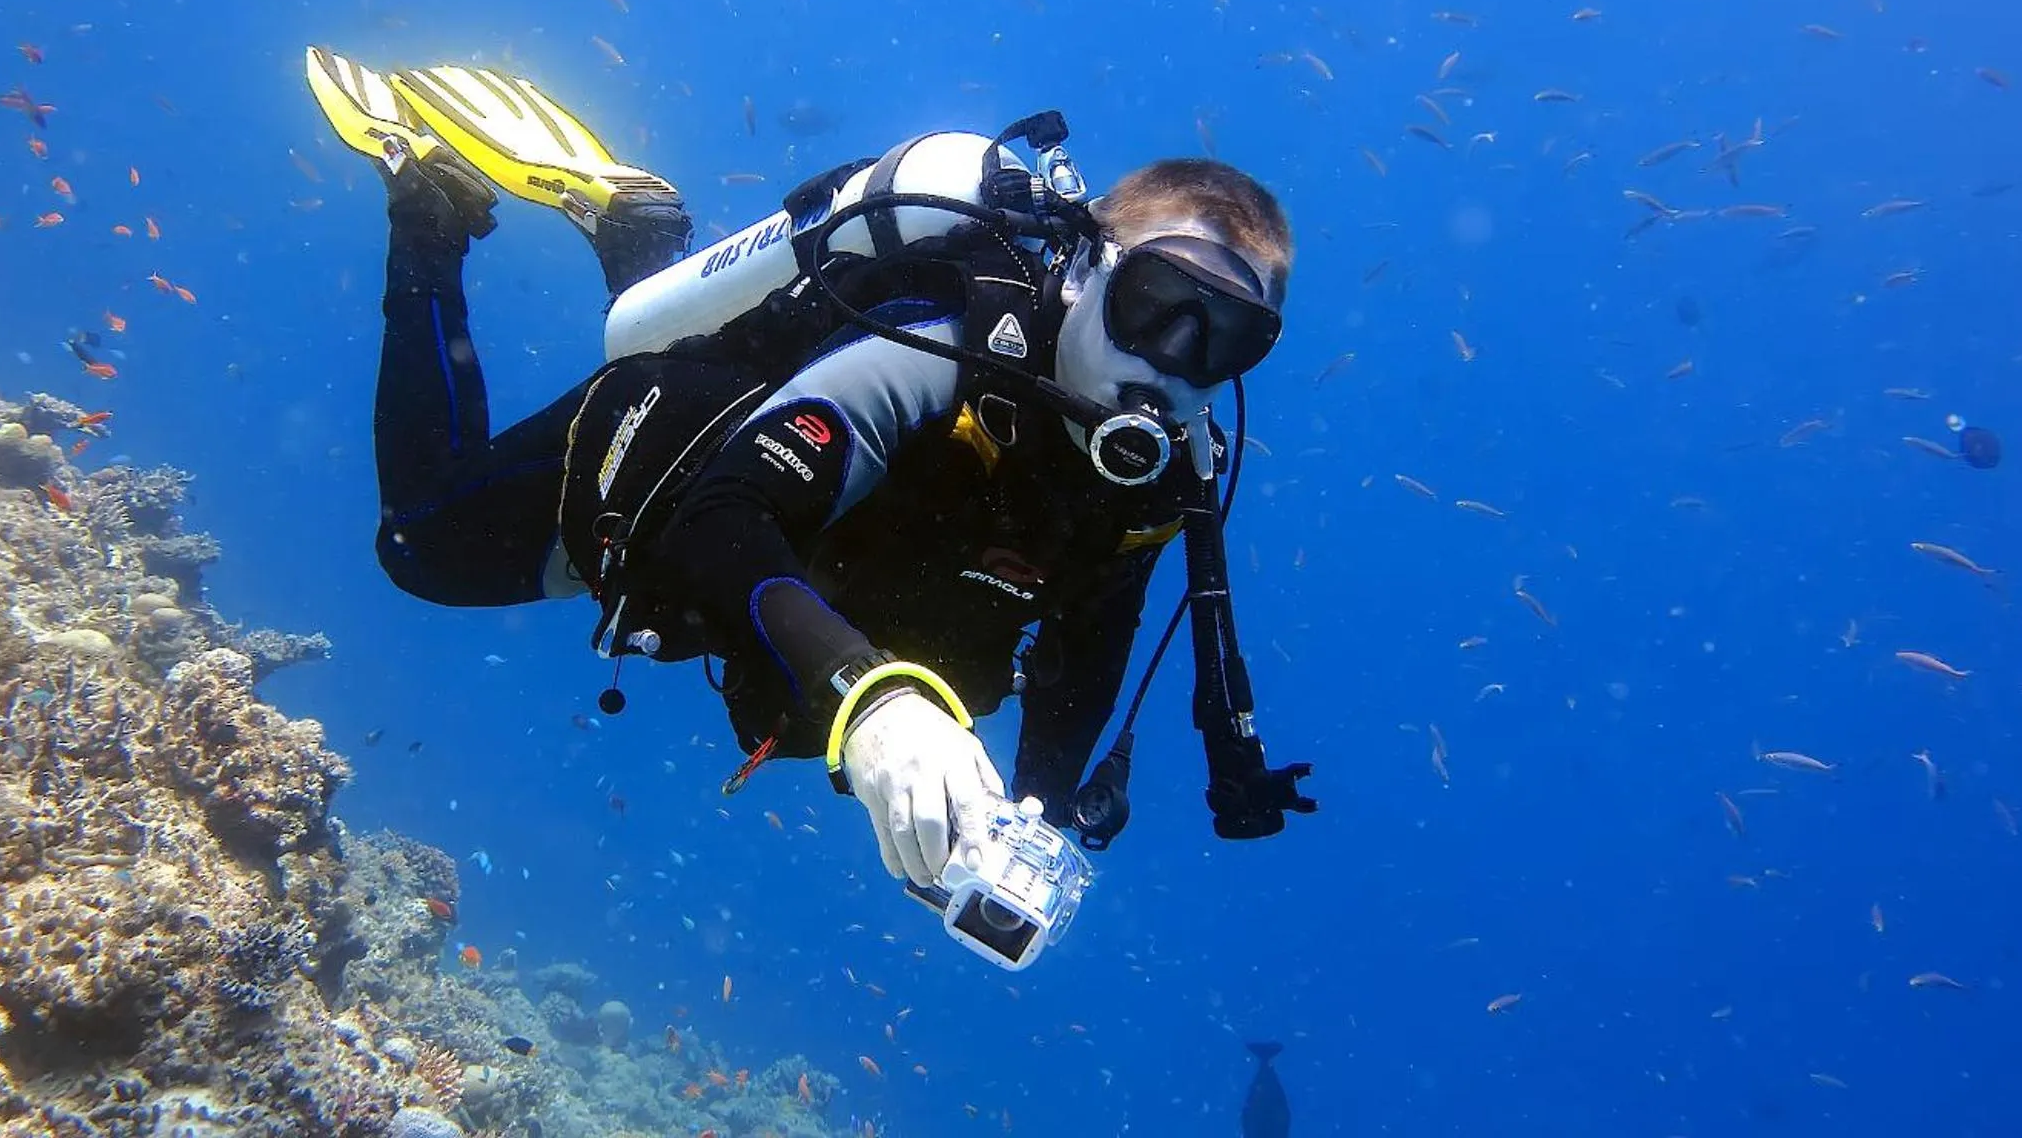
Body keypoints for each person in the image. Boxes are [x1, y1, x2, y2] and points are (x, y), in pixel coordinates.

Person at [304, 47, 1295, 894]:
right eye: (1156, 304)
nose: (1169, 363)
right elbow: (720, 518)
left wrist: (1016, 828)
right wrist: (875, 703)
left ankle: (639, 234)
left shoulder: (1163, 485)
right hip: (678, 451)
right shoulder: (944, 348)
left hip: (819, 569)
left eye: (1224, 343)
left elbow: (1086, 657)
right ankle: (427, 207)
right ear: (1084, 271)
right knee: (422, 545)